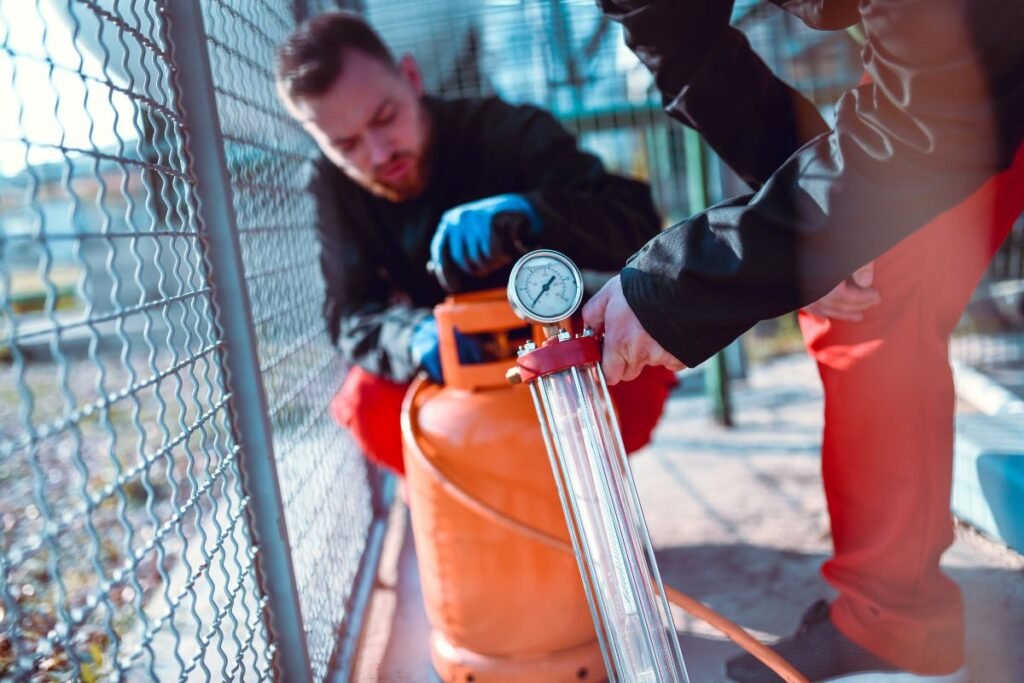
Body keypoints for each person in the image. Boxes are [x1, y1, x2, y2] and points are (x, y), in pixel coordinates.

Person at [585, 1, 1024, 682]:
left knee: (876, 290)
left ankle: (894, 631)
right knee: (862, 282)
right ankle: (892, 624)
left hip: (972, 64)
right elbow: (684, 45)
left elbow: (931, 122)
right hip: (948, 67)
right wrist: (821, 244)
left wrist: (698, 281)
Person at [274, 11, 676, 477]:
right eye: (346, 146)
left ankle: (575, 480)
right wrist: (415, 339)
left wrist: (533, 213)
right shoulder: (332, 185)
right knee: (366, 403)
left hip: (556, 344)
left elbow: (637, 224)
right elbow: (351, 315)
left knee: (639, 369)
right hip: (449, 377)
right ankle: (450, 491)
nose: (379, 153)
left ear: (411, 77)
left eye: (385, 117)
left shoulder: (509, 130)